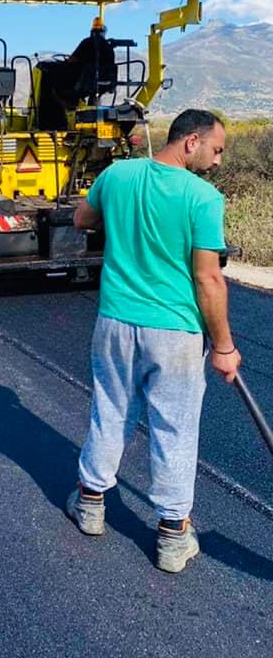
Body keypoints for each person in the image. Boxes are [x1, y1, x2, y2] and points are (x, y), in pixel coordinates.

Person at [67, 109, 241, 574]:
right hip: (175, 332)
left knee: (111, 411)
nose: (218, 161)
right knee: (175, 429)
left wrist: (125, 225)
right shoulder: (203, 198)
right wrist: (223, 346)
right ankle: (171, 536)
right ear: (190, 142)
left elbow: (83, 218)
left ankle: (90, 505)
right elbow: (209, 280)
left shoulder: (117, 174)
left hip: (116, 322)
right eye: (216, 149)